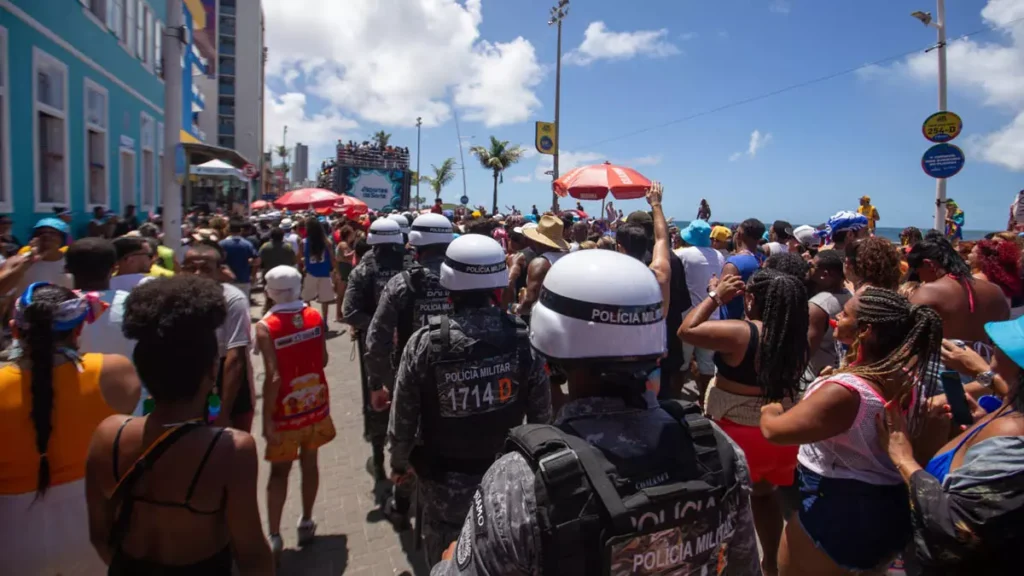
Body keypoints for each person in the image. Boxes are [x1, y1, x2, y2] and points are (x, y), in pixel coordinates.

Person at [431, 249, 760, 575]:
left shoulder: (520, 481)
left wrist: (448, 564)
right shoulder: (718, 449)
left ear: (548, 351)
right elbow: (744, 566)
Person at [84, 276, 273, 574]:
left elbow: (99, 537)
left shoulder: (108, 434)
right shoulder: (232, 449)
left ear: (142, 368)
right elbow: (251, 552)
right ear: (212, 371)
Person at [389, 234, 551, 565]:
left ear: (449, 283)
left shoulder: (424, 344)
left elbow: (403, 417)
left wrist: (399, 462)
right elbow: (542, 422)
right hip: (506, 491)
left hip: (443, 494)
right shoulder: (523, 338)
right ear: (496, 283)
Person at [760, 287, 943, 575]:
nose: (836, 317)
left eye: (844, 314)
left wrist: (770, 410)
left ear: (865, 330)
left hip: (837, 511)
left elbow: (776, 433)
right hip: (886, 510)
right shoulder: (902, 376)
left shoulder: (846, 392)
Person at [0, 283, 140, 575]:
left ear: (14, 331)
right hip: (94, 526)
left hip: (12, 536)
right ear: (78, 330)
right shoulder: (114, 372)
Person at [679, 269, 809, 576]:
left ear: (750, 299)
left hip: (736, 436)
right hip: (776, 437)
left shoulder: (741, 332)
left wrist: (715, 296)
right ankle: (771, 565)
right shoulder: (794, 337)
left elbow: (687, 330)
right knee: (765, 497)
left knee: (715, 505)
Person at [878, 318, 1024, 575]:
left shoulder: (1012, 433)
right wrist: (980, 426)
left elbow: (957, 527)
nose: (994, 344)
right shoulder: (1009, 412)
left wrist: (902, 457)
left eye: (1006, 344)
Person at [255, 266, 335, 560]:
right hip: (315, 403)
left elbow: (273, 377)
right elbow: (324, 359)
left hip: (284, 411)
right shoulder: (314, 316)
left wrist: (265, 421)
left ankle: (274, 535)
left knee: (279, 472)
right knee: (310, 463)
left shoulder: (266, 326)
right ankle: (306, 520)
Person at [343, 217, 410, 481]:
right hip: (407, 343)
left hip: (373, 348)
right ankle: (401, 460)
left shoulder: (363, 269)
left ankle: (379, 459)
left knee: (375, 398)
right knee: (406, 396)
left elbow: (349, 312)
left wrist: (377, 326)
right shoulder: (409, 264)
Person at [181, 242, 256, 432]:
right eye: (191, 268)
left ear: (219, 271)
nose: (198, 274)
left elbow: (235, 357)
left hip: (224, 378)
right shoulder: (175, 298)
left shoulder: (232, 299)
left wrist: (223, 411)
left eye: (205, 268)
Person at [908, 235, 1009, 374]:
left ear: (928, 264)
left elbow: (907, 339)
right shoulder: (996, 292)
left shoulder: (928, 293)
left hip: (944, 371)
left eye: (917, 271)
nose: (919, 278)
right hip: (987, 371)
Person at [67, 239, 144, 410]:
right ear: (115, 268)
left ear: (67, 269)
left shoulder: (54, 308)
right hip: (129, 407)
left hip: (70, 406)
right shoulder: (138, 305)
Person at [675, 218, 727, 401]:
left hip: (687, 316)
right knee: (707, 367)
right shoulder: (719, 255)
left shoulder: (682, 254)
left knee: (680, 365)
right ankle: (705, 404)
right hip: (712, 315)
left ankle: (678, 402)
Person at [804, 250, 852, 384]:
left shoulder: (818, 305)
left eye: (812, 266)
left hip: (815, 378)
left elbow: (807, 351)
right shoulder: (850, 296)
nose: (808, 268)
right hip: (839, 375)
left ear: (824, 274)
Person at [512, 214, 570, 323]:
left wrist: (514, 308)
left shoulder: (540, 263)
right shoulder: (569, 257)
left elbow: (529, 303)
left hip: (543, 323)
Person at [721, 218, 767, 320]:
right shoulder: (765, 260)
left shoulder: (733, 264)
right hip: (756, 320)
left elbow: (723, 296)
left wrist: (712, 287)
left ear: (739, 235)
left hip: (732, 322)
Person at [16, 218, 72, 290]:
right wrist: (30, 259)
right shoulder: (22, 260)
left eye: (52, 233)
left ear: (62, 239)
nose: (46, 235)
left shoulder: (70, 261)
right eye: (41, 233)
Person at [301, 216, 337, 321]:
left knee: (306, 298)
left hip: (311, 273)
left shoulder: (304, 242)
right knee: (325, 300)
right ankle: (324, 321)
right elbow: (332, 258)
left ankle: (311, 318)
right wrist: (335, 271)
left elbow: (300, 257)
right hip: (324, 273)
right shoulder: (327, 242)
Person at [968, 239, 1023, 307]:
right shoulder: (1008, 280)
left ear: (981, 257)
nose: (969, 255)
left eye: (972, 253)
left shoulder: (977, 279)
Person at [220, 219, 260, 301]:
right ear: (241, 230)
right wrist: (252, 272)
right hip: (243, 278)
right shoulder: (247, 244)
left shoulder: (221, 244)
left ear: (228, 230)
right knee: (243, 302)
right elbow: (257, 261)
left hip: (226, 279)